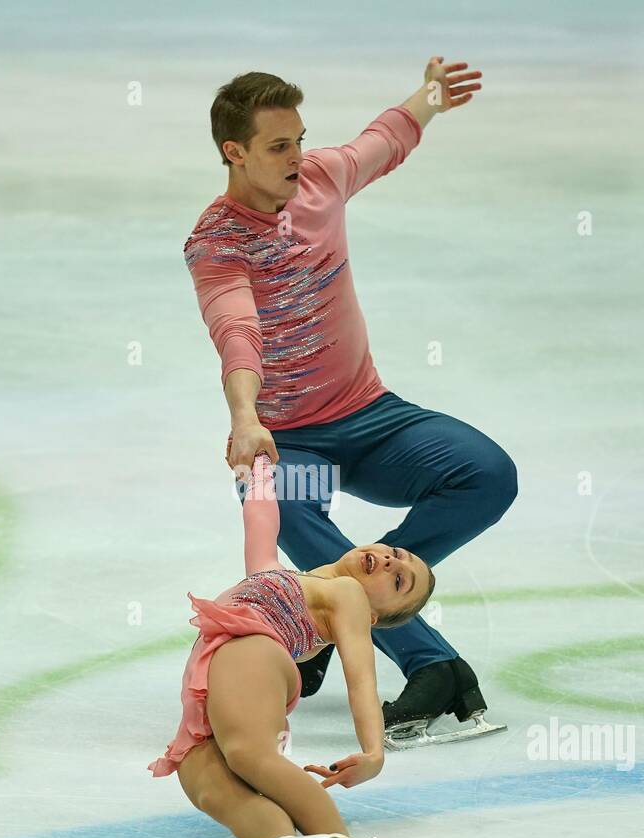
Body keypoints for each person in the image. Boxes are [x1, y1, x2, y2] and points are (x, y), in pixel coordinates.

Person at [183, 58, 517, 748]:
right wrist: (247, 418)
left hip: (371, 415)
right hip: (290, 437)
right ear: (233, 151)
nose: (297, 158)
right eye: (279, 146)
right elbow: (236, 330)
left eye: (301, 139)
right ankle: (432, 663)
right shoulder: (216, 242)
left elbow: (382, 140)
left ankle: (327, 613)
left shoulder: (321, 179)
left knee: (487, 474)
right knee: (279, 501)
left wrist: (427, 98)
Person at [148, 453, 431, 838]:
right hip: (217, 676)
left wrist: (373, 752)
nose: (387, 560)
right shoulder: (280, 573)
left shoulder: (348, 597)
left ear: (375, 615)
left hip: (250, 653)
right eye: (394, 553)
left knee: (248, 755)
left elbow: (361, 675)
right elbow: (261, 520)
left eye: (397, 579)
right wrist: (256, 467)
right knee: (203, 780)